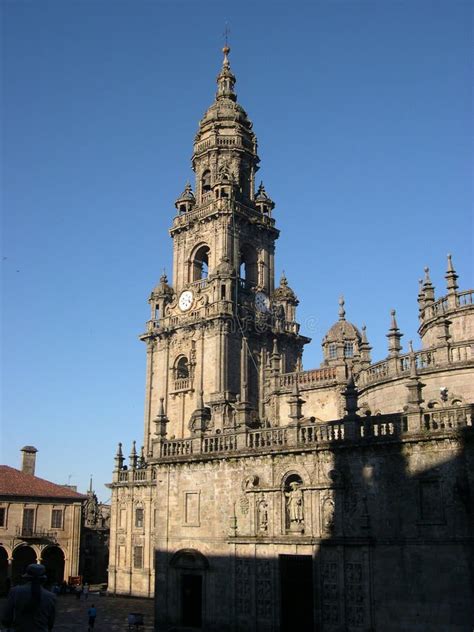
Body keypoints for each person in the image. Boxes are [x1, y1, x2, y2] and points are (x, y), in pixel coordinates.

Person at [1, 563, 56, 632]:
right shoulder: (51, 596)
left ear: (26, 577)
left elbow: (6, 618)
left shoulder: (15, 591)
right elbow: (50, 623)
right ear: (43, 579)